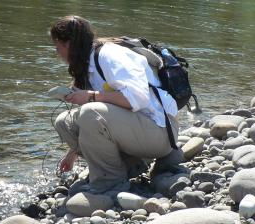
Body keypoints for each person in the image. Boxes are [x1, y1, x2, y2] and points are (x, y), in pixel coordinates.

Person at [50, 15, 182, 196]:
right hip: (136, 130)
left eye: (59, 46)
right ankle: (129, 165)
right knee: (63, 122)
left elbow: (138, 98)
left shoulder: (110, 55)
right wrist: (72, 153)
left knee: (90, 112)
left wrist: (90, 97)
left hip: (160, 132)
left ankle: (110, 181)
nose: (57, 52)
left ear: (70, 44)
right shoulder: (87, 63)